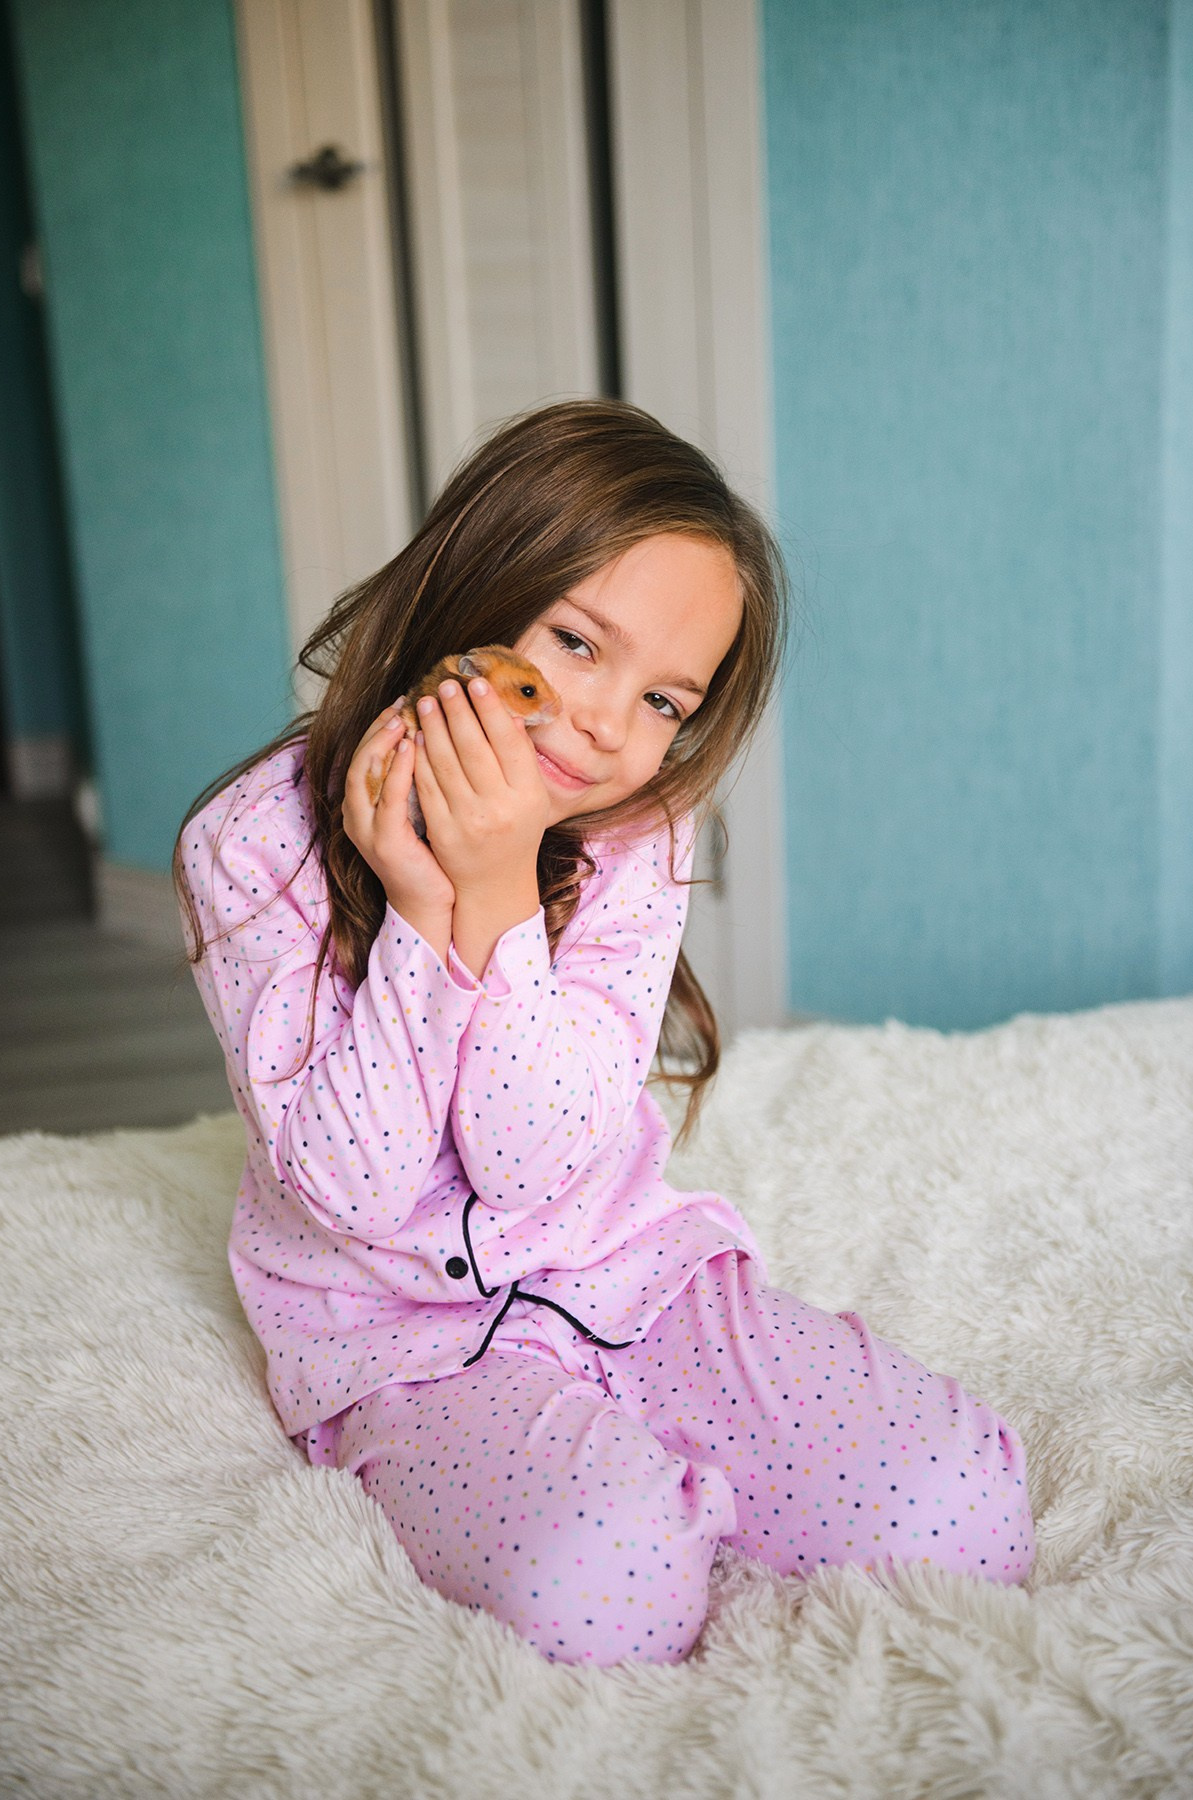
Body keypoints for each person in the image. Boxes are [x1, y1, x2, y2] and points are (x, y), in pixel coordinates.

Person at [176, 399, 1034, 1666]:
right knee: (610, 1593)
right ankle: (605, 1490)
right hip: (401, 1346)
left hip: (623, 1271)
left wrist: (499, 884)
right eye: (576, 642)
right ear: (472, 592)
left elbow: (536, 1162)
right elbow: (352, 1189)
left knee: (962, 1507)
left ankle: (703, 1457)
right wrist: (426, 908)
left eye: (663, 701)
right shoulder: (251, 845)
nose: (601, 727)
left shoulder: (637, 829)